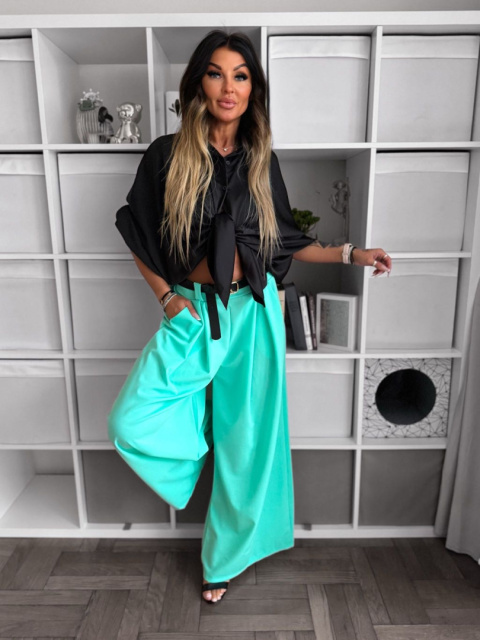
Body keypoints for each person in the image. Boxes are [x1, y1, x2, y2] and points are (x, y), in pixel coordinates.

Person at [107, 29, 392, 605]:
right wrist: (167, 299)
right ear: (199, 82)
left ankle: (222, 559)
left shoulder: (262, 160)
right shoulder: (166, 154)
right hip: (194, 311)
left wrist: (351, 254)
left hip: (255, 311)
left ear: (252, 88)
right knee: (130, 421)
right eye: (216, 73)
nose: (228, 87)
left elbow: (286, 241)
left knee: (248, 443)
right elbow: (136, 232)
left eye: (240, 76)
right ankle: (193, 460)